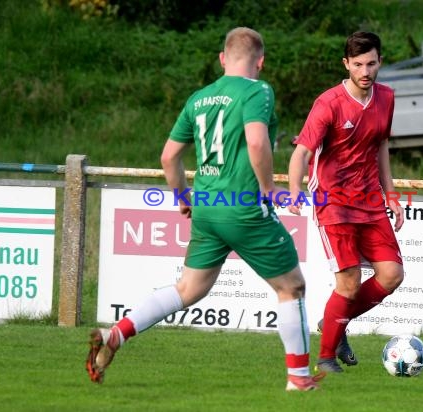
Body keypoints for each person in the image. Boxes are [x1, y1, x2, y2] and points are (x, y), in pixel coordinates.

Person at [86, 27, 324, 391]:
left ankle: (118, 332)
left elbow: (169, 157)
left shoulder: (199, 98)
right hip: (243, 208)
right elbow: (257, 141)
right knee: (292, 288)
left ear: (222, 59)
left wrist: (184, 200)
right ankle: (299, 378)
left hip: (208, 207)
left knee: (189, 289)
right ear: (260, 61)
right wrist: (269, 189)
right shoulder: (258, 91)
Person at [288, 31, 405, 373]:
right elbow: (302, 152)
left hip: (369, 200)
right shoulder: (329, 103)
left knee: (392, 274)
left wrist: (392, 195)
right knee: (350, 281)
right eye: (358, 65)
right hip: (333, 201)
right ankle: (325, 360)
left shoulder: (386, 97)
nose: (365, 71)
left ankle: (333, 323)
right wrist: (295, 187)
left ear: (380, 61)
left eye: (371, 63)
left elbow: (381, 146)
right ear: (346, 65)